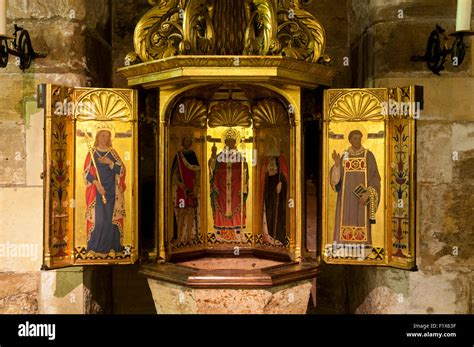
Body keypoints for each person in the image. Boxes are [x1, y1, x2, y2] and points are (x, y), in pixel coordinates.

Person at [330, 129, 380, 249]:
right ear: (350, 140)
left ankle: (362, 246)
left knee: (361, 221)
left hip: (361, 199)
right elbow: (336, 181)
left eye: (359, 138)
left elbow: (375, 178)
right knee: (345, 220)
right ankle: (343, 245)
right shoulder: (345, 156)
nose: (357, 141)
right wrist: (337, 164)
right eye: (355, 138)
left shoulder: (368, 155)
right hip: (346, 198)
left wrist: (368, 193)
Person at [84, 124, 126, 257]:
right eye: (102, 135)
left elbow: (121, 170)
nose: (104, 138)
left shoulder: (112, 153)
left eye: (107, 136)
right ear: (97, 136)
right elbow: (86, 173)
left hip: (112, 191)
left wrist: (110, 162)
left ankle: (112, 248)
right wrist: (97, 184)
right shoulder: (92, 152)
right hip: (97, 191)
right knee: (99, 219)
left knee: (110, 219)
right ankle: (94, 248)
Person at [209, 128, 248, 242]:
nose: (230, 143)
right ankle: (219, 233)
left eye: (232, 141)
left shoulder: (240, 157)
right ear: (225, 143)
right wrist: (213, 155)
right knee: (220, 207)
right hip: (221, 189)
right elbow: (213, 169)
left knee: (238, 207)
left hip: (236, 188)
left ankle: (238, 233)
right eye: (228, 141)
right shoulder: (219, 156)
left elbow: (244, 171)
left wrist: (243, 184)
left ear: (235, 142)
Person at [170, 134, 200, 246]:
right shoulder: (178, 155)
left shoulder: (193, 155)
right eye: (185, 140)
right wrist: (180, 184)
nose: (187, 142)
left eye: (189, 140)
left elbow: (197, 172)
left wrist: (196, 188)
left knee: (190, 212)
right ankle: (179, 238)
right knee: (182, 212)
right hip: (182, 190)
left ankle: (188, 238)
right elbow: (173, 175)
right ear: (183, 142)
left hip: (191, 188)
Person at [261, 136, 288, 246]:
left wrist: (282, 182)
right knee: (269, 212)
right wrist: (266, 172)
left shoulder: (280, 158)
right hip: (268, 190)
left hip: (278, 192)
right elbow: (262, 174)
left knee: (279, 213)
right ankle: (269, 236)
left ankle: (279, 236)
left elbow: (285, 175)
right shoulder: (266, 158)